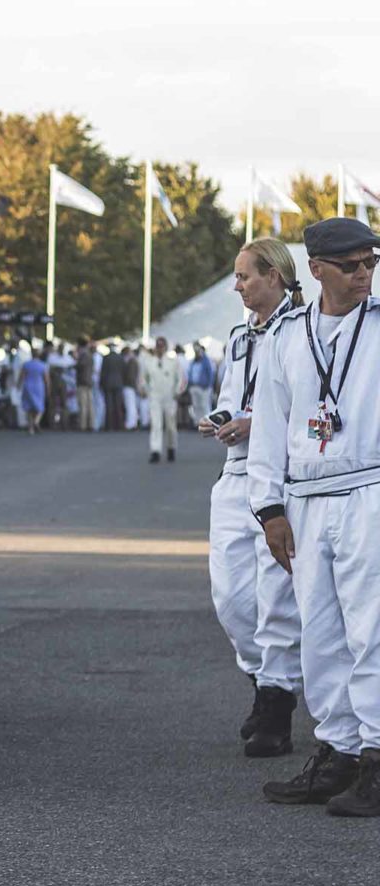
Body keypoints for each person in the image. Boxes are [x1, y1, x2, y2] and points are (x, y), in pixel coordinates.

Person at [249, 217, 380, 815]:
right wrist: (270, 506)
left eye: (370, 263)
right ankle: (337, 751)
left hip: (368, 490)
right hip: (304, 497)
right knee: (320, 634)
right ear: (318, 268)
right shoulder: (287, 337)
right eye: (351, 265)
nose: (364, 274)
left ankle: (377, 758)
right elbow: (269, 429)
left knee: (370, 630)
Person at [202, 237, 304, 757]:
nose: (237, 285)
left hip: (279, 476)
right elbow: (230, 396)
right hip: (234, 474)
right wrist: (223, 420)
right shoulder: (241, 335)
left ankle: (275, 705)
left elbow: (305, 406)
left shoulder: (303, 331)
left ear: (275, 276)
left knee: (276, 598)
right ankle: (264, 680)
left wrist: (255, 424)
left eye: (245, 276)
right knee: (231, 596)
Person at [140, 337, 185, 462]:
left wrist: (178, 391)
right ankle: (155, 450)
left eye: (162, 346)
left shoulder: (173, 362)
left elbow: (181, 379)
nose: (159, 349)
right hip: (155, 396)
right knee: (156, 424)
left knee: (171, 425)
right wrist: (144, 389)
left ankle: (171, 447)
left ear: (165, 348)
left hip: (169, 396)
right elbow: (143, 378)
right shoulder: (149, 362)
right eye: (158, 346)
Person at [19, 345, 49, 435]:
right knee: (40, 407)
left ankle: (30, 428)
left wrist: (18, 385)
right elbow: (46, 379)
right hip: (39, 386)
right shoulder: (43, 365)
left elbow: (22, 376)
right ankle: (36, 421)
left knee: (29, 408)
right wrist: (48, 388)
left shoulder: (26, 364)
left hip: (28, 385)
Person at [187, 340, 215, 427]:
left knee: (204, 405)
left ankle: (207, 422)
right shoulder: (193, 361)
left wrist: (208, 385)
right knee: (196, 405)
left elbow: (210, 374)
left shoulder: (206, 361)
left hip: (204, 387)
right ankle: (198, 422)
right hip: (194, 386)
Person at [100, 343, 126, 431]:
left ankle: (109, 425)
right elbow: (123, 370)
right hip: (118, 383)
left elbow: (103, 372)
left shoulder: (106, 358)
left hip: (108, 383)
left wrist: (101, 384)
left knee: (109, 405)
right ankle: (119, 425)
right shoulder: (120, 358)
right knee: (118, 405)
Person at [74, 337, 94, 431]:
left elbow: (79, 366)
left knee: (83, 405)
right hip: (89, 381)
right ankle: (90, 424)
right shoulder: (90, 354)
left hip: (82, 381)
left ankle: (83, 425)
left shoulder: (83, 354)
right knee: (89, 404)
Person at [121, 346, 140, 429]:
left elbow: (131, 376)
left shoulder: (131, 361)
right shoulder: (133, 361)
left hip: (129, 385)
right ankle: (133, 422)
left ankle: (130, 423)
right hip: (131, 385)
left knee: (130, 405)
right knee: (132, 405)